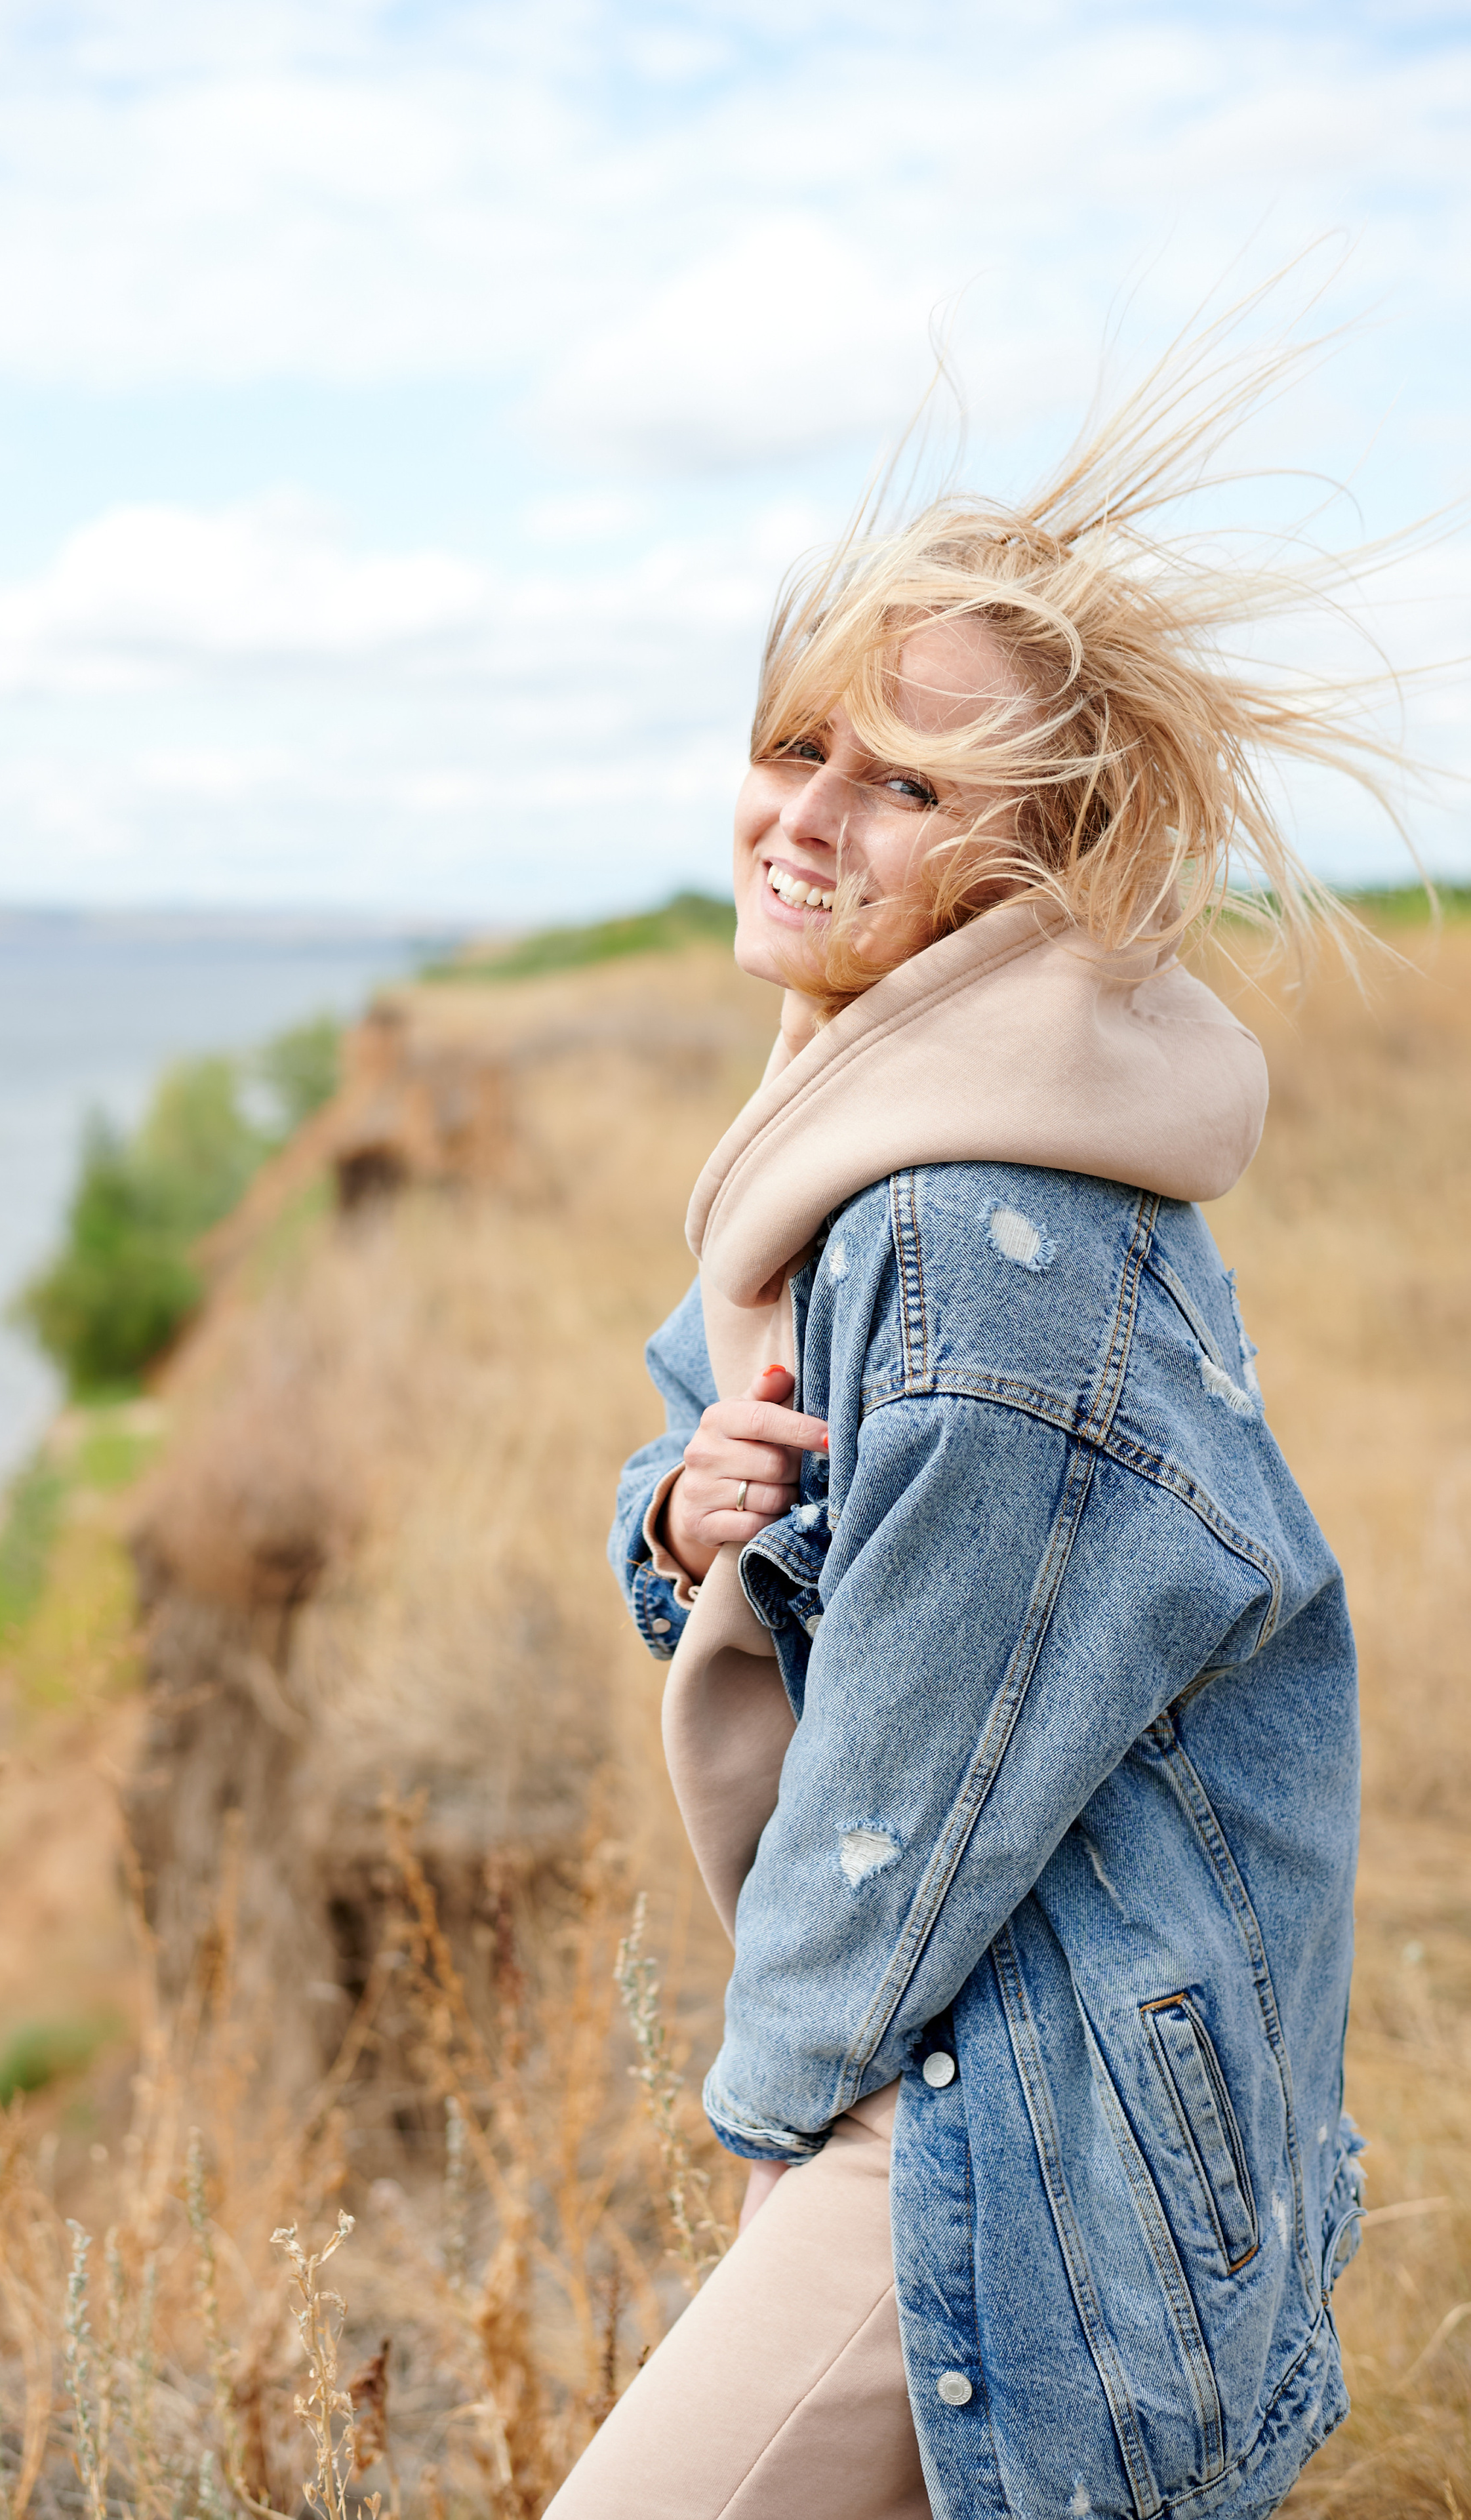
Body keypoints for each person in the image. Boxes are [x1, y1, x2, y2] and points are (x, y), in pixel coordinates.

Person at [552, 314, 1415, 2519]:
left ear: (1041, 861)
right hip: (998, 2052)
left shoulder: (975, 1225)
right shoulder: (867, 1131)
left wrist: (769, 2143)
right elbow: (749, 1488)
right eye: (793, 744)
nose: (808, 821)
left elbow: (906, 1819)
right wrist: (686, 1522)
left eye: (908, 787)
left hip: (1012, 2100)